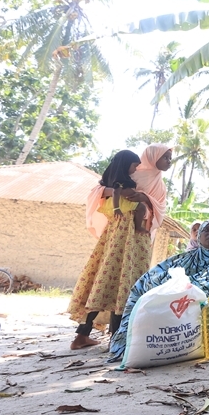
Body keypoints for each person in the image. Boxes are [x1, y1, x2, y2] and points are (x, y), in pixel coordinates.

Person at [108, 220, 209, 362]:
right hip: (185, 296)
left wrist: (201, 294)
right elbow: (152, 277)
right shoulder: (185, 258)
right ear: (199, 236)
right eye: (207, 230)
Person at [68, 150, 159, 350]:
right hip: (127, 235)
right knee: (121, 281)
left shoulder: (156, 181)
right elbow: (101, 193)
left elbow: (156, 205)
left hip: (123, 234)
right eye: (165, 157)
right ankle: (115, 340)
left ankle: (84, 335)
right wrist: (117, 196)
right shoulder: (131, 177)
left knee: (108, 280)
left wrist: (142, 198)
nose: (168, 161)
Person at [130, 144, 174, 239]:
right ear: (153, 156)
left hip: (143, 227)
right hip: (125, 221)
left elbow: (160, 209)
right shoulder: (132, 174)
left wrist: (146, 198)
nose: (169, 161)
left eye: (170, 158)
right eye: (165, 157)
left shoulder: (161, 186)